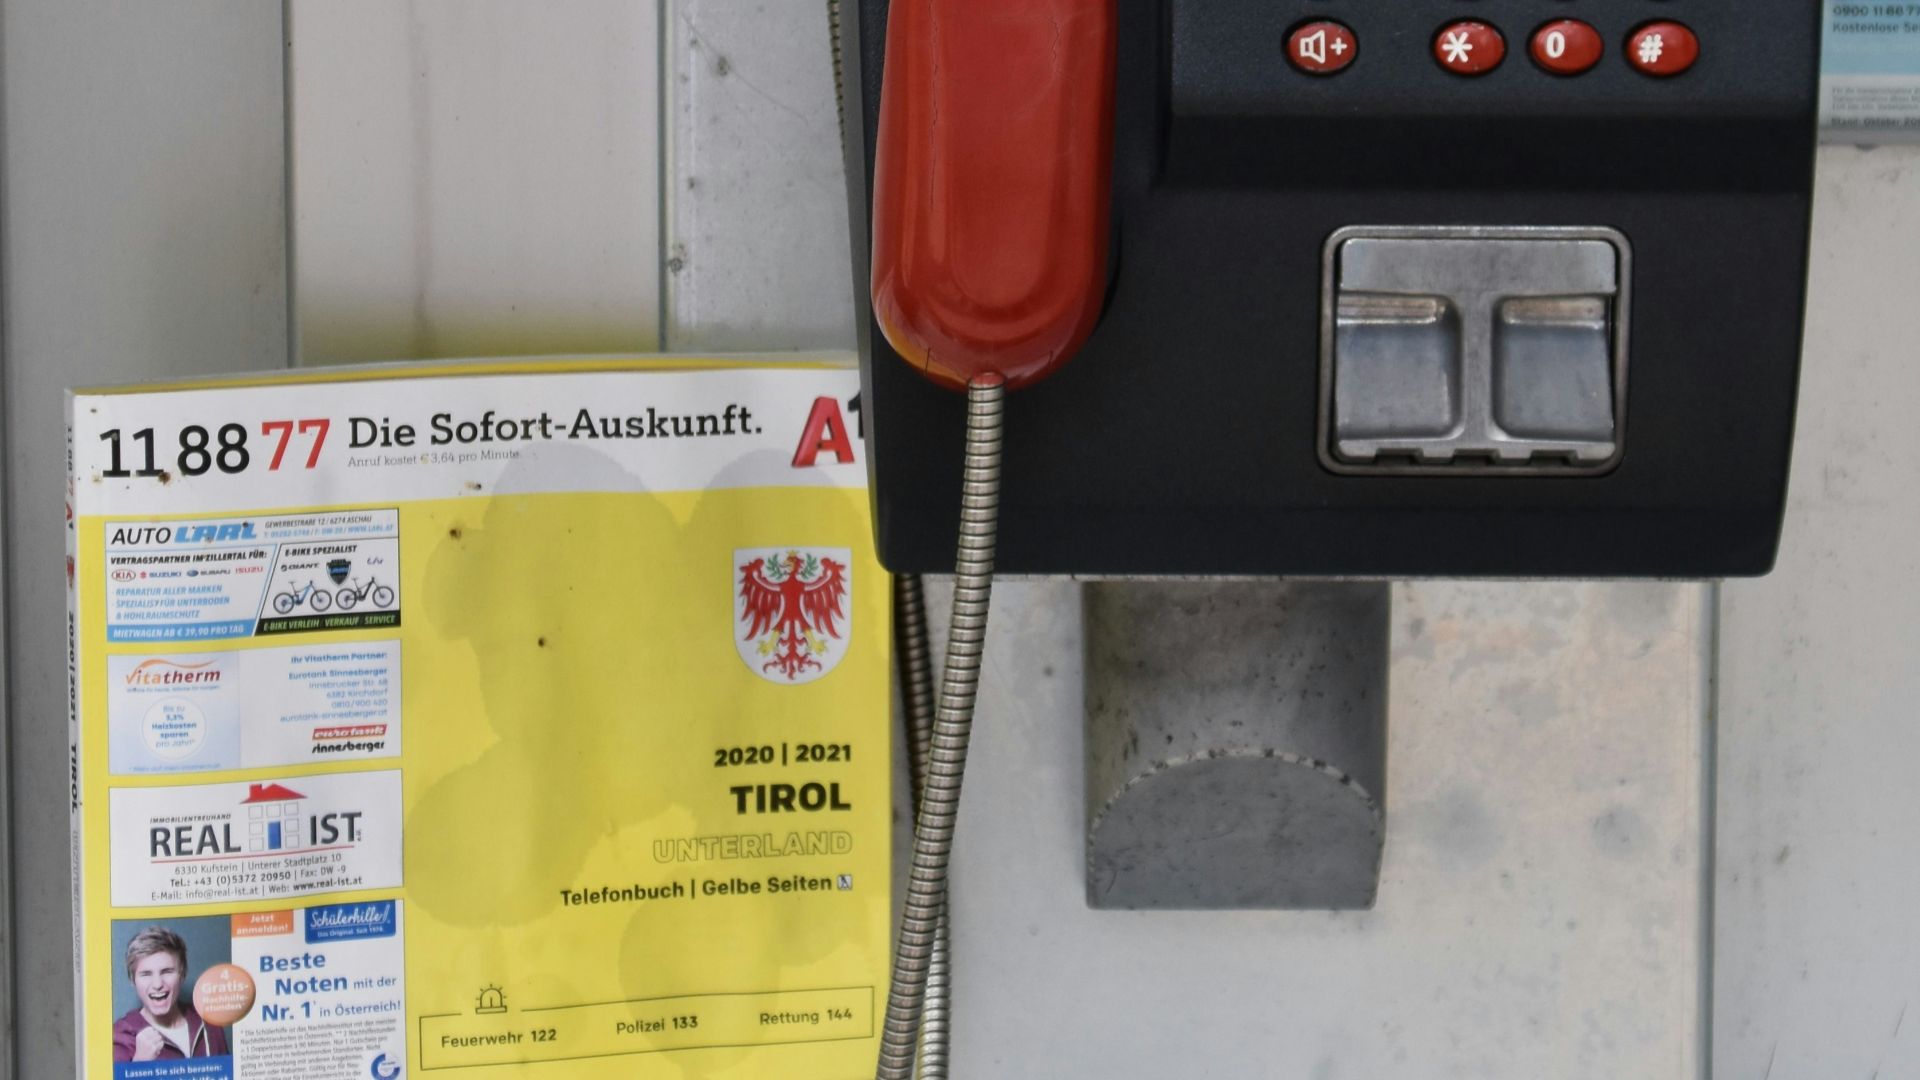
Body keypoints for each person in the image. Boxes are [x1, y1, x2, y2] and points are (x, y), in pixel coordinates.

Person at [111, 927, 230, 1061]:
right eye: (146, 974)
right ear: (133, 980)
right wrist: (140, 1062)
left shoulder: (210, 1023)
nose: (157, 984)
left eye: (167, 971)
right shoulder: (120, 1036)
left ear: (182, 974)